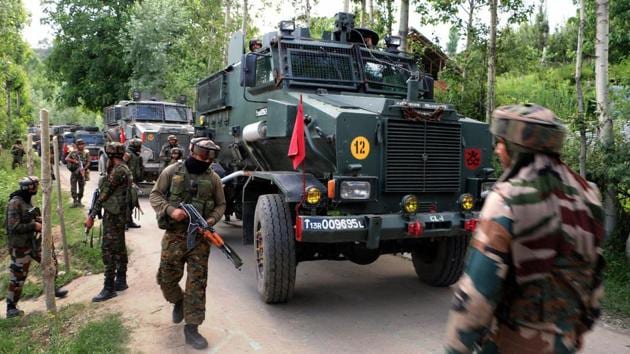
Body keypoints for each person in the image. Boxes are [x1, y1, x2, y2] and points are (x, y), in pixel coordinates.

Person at [444, 104, 605, 353]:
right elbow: (595, 271)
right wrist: (579, 328)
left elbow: (478, 291)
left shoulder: (507, 199)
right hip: (566, 339)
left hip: (514, 341)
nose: (497, 149)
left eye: (501, 143)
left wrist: (455, 348)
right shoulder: (589, 194)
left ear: (517, 148)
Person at [149, 137, 226, 350]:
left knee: (197, 284)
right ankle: (178, 301)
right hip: (174, 236)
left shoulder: (214, 179)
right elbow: (155, 195)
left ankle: (192, 328)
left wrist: (210, 221)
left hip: (199, 240)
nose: (203, 159)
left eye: (208, 156)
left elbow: (221, 205)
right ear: (191, 150)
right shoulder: (172, 171)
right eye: (200, 154)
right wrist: (171, 210)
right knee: (166, 278)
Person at [5, 176, 68, 317]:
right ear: (29, 188)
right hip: (20, 247)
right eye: (35, 185)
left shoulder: (26, 201)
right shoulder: (15, 203)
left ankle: (53, 289)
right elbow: (13, 226)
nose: (37, 188)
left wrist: (36, 219)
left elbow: (26, 217)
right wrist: (34, 225)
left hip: (33, 243)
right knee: (18, 276)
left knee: (50, 262)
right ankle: (11, 307)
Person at [85, 142, 132, 302]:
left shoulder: (118, 171)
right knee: (119, 246)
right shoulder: (124, 169)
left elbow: (104, 194)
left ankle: (109, 287)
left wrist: (92, 215)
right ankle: (121, 280)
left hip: (113, 215)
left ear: (110, 155)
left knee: (109, 249)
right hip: (119, 214)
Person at [123, 138, 144, 229]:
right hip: (127, 181)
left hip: (133, 181)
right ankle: (124, 222)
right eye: (139, 146)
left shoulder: (136, 155)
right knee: (126, 201)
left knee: (132, 201)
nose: (140, 148)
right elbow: (122, 166)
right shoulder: (127, 154)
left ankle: (129, 220)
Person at [65, 138, 90, 207]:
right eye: (80, 145)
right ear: (77, 145)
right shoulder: (73, 152)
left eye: (82, 144)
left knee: (81, 187)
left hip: (82, 172)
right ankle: (75, 201)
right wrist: (75, 161)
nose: (81, 146)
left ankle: (79, 201)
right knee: (73, 187)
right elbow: (66, 158)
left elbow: (88, 162)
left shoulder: (86, 153)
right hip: (74, 172)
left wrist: (84, 168)